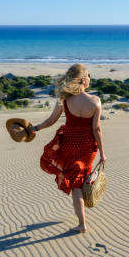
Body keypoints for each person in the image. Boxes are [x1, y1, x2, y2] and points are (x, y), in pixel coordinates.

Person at [31, 63, 107, 233]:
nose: (89, 79)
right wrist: (102, 152)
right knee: (80, 181)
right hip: (88, 146)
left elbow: (50, 121)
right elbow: (97, 129)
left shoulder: (64, 99)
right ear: (82, 80)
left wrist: (35, 128)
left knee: (76, 184)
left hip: (69, 144)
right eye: (88, 76)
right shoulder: (95, 101)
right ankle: (82, 222)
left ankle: (82, 223)